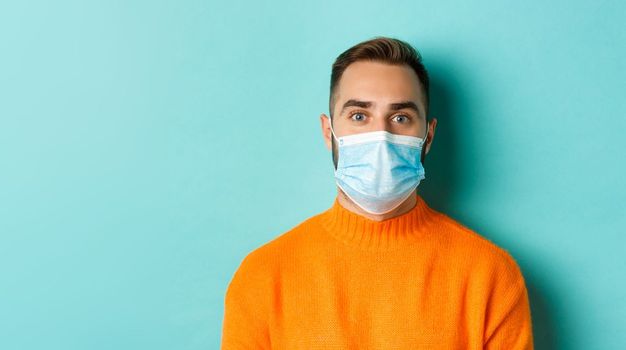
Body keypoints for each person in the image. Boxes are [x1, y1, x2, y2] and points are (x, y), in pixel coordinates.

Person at [220, 37, 533, 349]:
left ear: (429, 136)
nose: (381, 136)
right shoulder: (262, 277)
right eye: (359, 116)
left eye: (400, 118)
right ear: (329, 133)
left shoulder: (489, 275)